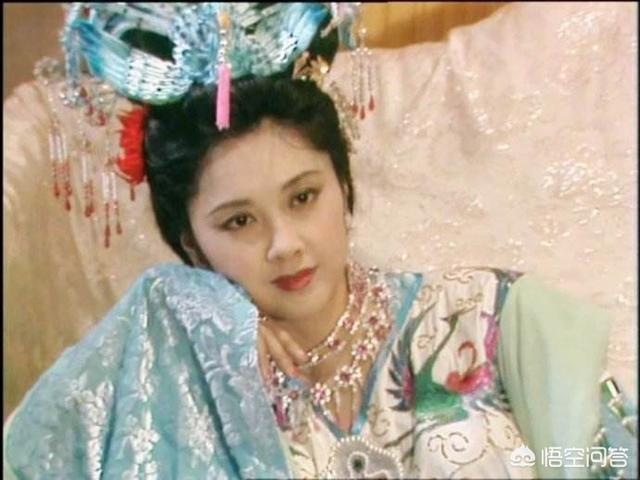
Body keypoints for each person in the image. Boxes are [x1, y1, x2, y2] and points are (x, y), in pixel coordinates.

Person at [3, 3, 637, 479]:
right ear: (191, 245)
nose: (284, 244)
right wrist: (177, 305)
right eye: (239, 222)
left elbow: (601, 457)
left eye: (304, 197)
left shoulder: (484, 317)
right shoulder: (177, 370)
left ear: (343, 184)